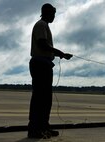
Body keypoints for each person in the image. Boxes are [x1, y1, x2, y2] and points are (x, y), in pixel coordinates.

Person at [28, 3, 73, 139]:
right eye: (53, 14)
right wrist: (60, 52)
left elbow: (45, 45)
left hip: (45, 64)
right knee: (40, 98)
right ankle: (35, 129)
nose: (54, 17)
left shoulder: (45, 25)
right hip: (40, 64)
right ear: (46, 13)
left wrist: (61, 55)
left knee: (46, 99)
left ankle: (44, 127)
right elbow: (42, 44)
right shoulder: (41, 25)